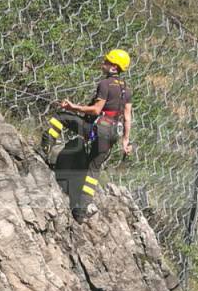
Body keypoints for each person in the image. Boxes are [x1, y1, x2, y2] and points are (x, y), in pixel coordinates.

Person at [41, 49, 133, 222]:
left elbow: (96, 110)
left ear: (114, 67)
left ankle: (44, 150)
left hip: (96, 129)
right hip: (112, 134)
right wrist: (125, 142)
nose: (103, 62)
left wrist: (72, 107)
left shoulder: (105, 85)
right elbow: (127, 117)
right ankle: (81, 211)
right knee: (93, 170)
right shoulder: (126, 90)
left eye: (106, 61)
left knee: (60, 118)